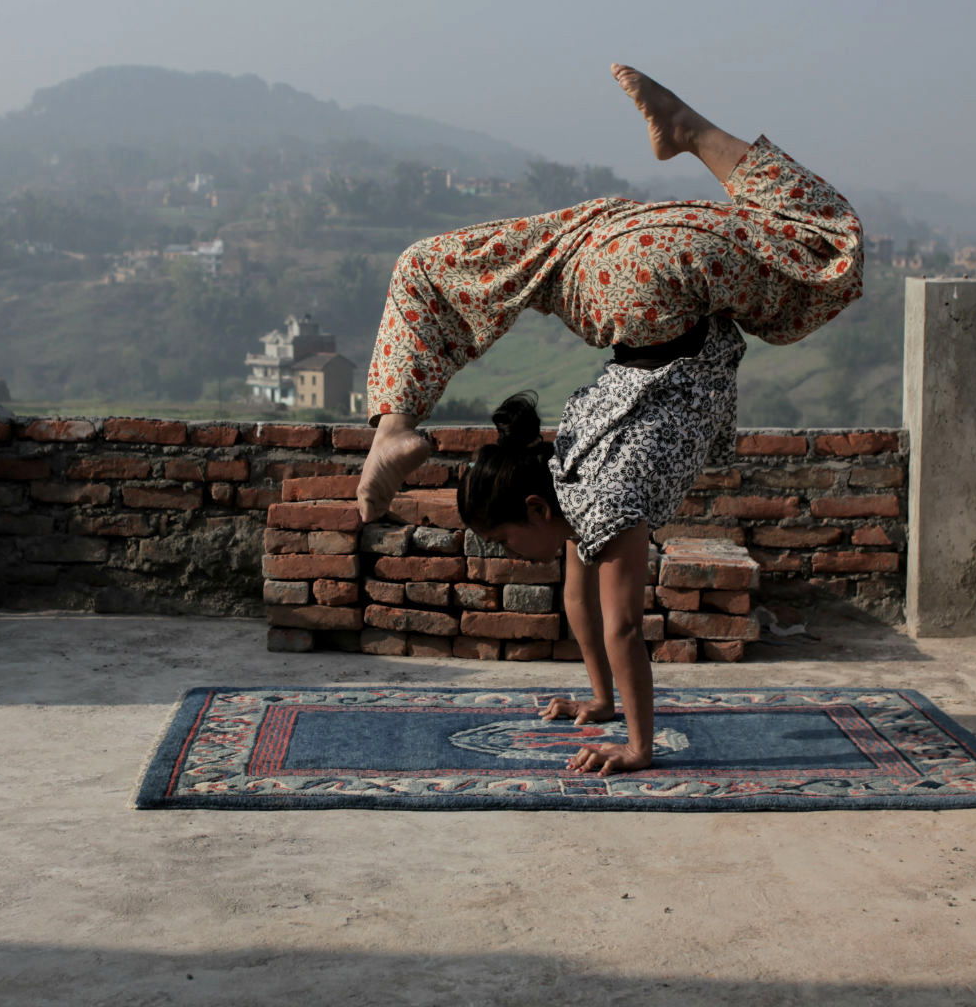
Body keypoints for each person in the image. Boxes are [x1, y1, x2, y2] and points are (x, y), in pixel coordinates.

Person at [356, 64, 864, 774]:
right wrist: (598, 700)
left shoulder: (601, 500)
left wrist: (636, 745)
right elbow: (579, 598)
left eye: (505, 541)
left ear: (535, 510)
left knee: (831, 250)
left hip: (652, 282)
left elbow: (623, 625)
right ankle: (393, 424)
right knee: (424, 266)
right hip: (608, 248)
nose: (511, 557)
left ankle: (687, 128)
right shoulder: (565, 469)